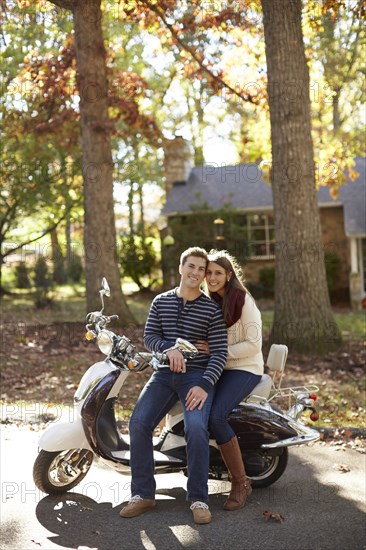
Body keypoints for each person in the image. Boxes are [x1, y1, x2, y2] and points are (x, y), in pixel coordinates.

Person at [120, 246, 228, 524]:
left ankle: (199, 499)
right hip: (164, 375)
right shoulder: (161, 302)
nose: (195, 272)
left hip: (198, 378)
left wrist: (205, 384)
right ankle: (143, 494)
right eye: (191, 266)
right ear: (181, 268)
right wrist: (169, 349)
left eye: (201, 269)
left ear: (204, 275)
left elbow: (219, 353)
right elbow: (150, 337)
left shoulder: (211, 309)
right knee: (138, 424)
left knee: (195, 426)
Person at [196, 249, 264, 511]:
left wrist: (219, 352)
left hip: (245, 367)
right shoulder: (208, 301)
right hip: (218, 366)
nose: (212, 278)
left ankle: (240, 482)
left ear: (229, 275)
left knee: (216, 416)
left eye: (217, 273)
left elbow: (254, 344)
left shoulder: (243, 301)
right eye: (208, 272)